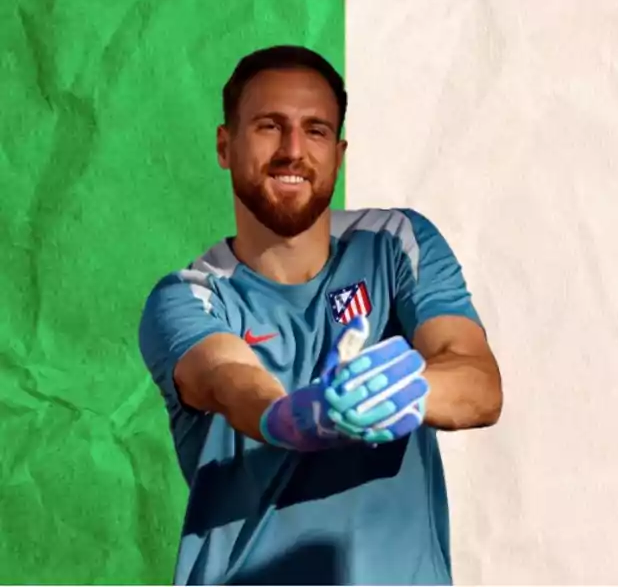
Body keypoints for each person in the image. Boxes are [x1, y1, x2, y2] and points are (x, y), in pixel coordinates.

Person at [138, 45, 503, 585]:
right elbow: (229, 380)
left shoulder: (396, 243)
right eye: (269, 126)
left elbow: (477, 380)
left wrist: (403, 391)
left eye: (315, 130)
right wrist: (297, 416)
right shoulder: (189, 296)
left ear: (339, 151)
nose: (292, 150)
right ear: (224, 145)